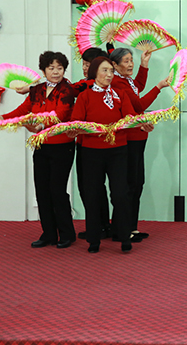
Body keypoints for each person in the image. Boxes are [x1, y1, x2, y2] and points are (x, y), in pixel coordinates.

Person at [68, 57, 153, 254]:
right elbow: (76, 121)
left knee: (120, 194)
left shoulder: (120, 94)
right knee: (93, 195)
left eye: (111, 71)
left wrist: (142, 125)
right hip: (91, 152)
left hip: (118, 151)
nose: (109, 75)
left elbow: (130, 118)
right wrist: (74, 130)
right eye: (104, 70)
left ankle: (123, 235)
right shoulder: (85, 96)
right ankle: (94, 238)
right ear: (95, 73)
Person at [0, 51, 76, 248]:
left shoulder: (67, 89)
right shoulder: (37, 90)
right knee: (42, 190)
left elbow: (61, 114)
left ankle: (67, 234)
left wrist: (40, 125)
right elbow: (23, 110)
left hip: (62, 146)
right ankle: (49, 234)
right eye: (51, 68)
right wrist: (2, 118)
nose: (56, 72)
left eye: (60, 68)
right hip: (41, 145)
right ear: (43, 70)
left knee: (57, 190)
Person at [109, 48, 168, 242]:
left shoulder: (125, 80)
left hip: (138, 137)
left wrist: (144, 64)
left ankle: (130, 228)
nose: (130, 64)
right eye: (126, 61)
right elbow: (139, 106)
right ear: (115, 65)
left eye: (131, 60)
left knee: (136, 184)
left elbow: (138, 86)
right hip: (129, 139)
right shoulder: (117, 82)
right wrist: (158, 87)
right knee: (129, 185)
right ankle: (122, 228)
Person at [73, 47, 111, 241]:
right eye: (84, 64)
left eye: (89, 65)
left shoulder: (87, 87)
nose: (85, 68)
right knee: (94, 187)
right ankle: (102, 225)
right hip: (85, 142)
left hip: (90, 145)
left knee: (90, 188)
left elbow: (68, 89)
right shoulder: (85, 85)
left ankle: (98, 226)